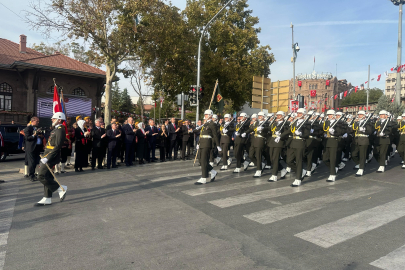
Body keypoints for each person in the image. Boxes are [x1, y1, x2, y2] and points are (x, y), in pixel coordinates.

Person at [35, 112, 68, 206]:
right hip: (47, 155)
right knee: (47, 176)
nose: (52, 120)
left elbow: (57, 146)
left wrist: (48, 158)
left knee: (40, 175)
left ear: (59, 120)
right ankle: (47, 198)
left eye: (54, 118)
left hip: (51, 157)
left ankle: (60, 188)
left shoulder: (60, 130)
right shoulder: (56, 129)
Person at [195, 110, 221, 185]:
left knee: (204, 160)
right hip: (202, 142)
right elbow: (201, 134)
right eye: (205, 114)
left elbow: (215, 135)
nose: (205, 116)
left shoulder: (212, 124)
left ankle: (204, 178)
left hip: (207, 143)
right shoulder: (205, 124)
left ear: (210, 115)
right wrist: (198, 143)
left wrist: (218, 145)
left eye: (206, 114)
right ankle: (213, 172)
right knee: (201, 160)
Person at [351, 111, 373, 176]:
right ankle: (359, 164)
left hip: (364, 139)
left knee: (362, 155)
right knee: (353, 154)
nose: (359, 115)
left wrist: (364, 130)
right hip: (356, 140)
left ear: (364, 115)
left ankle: (361, 169)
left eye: (361, 114)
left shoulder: (368, 123)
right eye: (359, 114)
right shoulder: (357, 122)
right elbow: (352, 129)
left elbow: (370, 132)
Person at [23, 117, 43, 182]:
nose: (38, 122)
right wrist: (34, 135)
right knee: (32, 162)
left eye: (38, 121)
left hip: (38, 147)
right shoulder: (28, 128)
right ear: (32, 121)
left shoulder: (38, 128)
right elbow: (27, 138)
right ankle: (31, 175)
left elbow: (41, 136)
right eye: (37, 121)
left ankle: (35, 174)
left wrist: (41, 135)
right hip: (31, 148)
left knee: (37, 161)